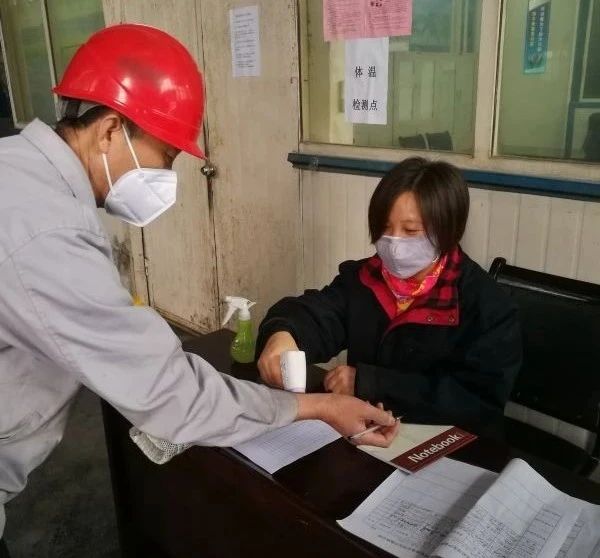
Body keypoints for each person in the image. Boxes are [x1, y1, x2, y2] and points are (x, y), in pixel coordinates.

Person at [0, 24, 398, 551]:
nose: (168, 177)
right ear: (111, 130)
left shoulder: (18, 174)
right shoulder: (44, 230)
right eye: (166, 157)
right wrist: (317, 406)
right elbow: (170, 394)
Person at [257, 157, 522, 432]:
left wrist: (370, 383)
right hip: (366, 432)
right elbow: (320, 313)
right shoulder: (364, 279)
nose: (394, 243)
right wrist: (283, 333)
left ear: (448, 231)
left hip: (446, 442)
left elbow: (478, 401)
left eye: (411, 230)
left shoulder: (489, 307)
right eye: (385, 228)